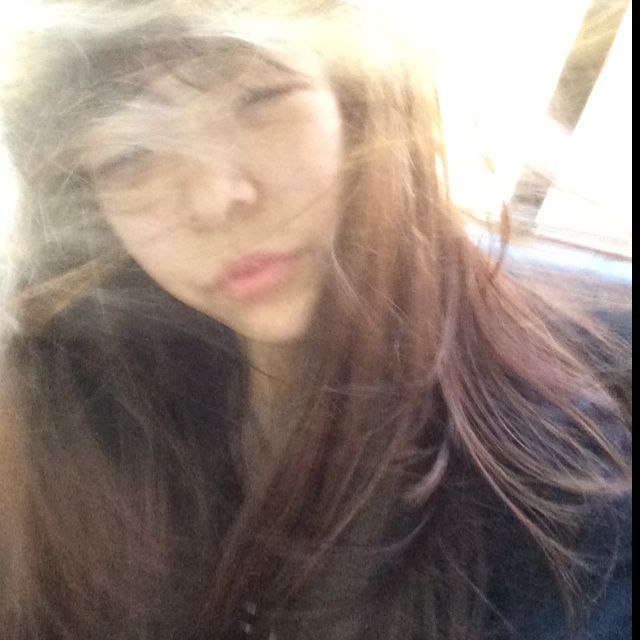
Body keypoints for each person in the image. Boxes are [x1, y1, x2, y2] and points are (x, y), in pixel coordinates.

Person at [0, 1, 631, 639]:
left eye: (259, 97)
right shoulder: (87, 403)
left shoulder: (548, 496)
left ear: (360, 103)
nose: (215, 198)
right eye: (128, 155)